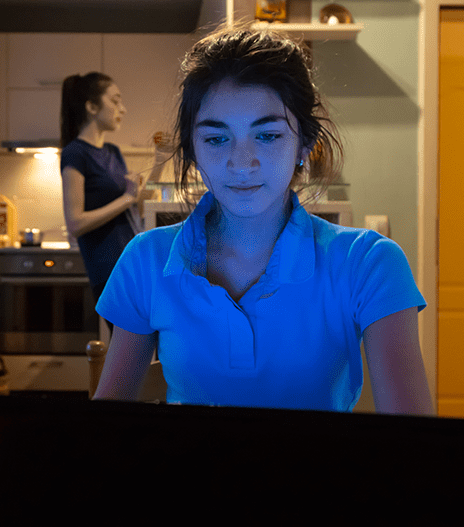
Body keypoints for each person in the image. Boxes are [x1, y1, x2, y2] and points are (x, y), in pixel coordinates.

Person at [92, 26, 434, 415]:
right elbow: (106, 432)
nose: (242, 163)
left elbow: (414, 446)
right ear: (193, 151)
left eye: (268, 135)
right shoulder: (145, 260)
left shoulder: (369, 262)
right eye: (217, 139)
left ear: (305, 143)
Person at [60, 72, 147, 304]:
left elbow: (133, 211)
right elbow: (75, 223)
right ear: (91, 106)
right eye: (115, 101)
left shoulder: (113, 152)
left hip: (129, 263)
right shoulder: (75, 153)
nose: (123, 109)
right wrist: (127, 198)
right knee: (134, 340)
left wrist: (157, 164)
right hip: (108, 270)